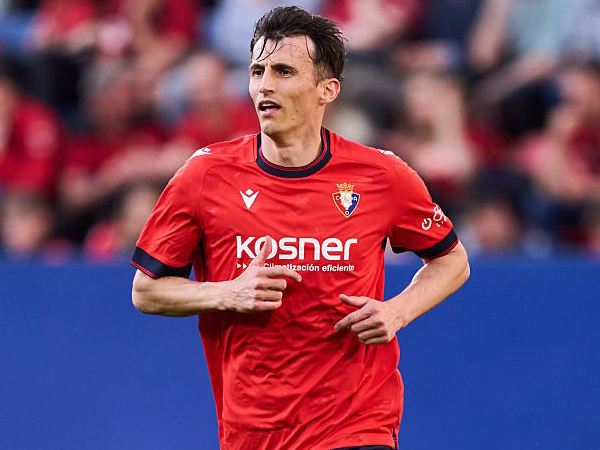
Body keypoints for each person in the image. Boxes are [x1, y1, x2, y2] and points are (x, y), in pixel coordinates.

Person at [130, 6, 470, 450]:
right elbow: (146, 291)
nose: (264, 85)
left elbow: (452, 260)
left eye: (284, 71)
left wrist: (397, 311)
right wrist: (227, 293)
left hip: (356, 424)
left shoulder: (381, 176)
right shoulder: (205, 176)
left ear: (327, 89)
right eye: (257, 71)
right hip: (254, 431)